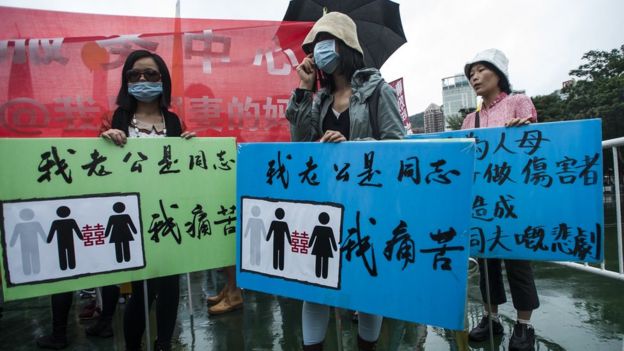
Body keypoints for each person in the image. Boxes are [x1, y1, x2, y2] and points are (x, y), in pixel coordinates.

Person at [286, 12, 405, 351]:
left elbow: (397, 148)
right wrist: (304, 90)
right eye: (313, 47)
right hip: (323, 202)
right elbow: (301, 147)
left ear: (346, 46)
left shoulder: (377, 90)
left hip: (367, 203)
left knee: (366, 284)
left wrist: (352, 147)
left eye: (325, 43)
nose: (317, 52)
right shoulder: (319, 98)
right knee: (315, 285)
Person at [101, 49, 194, 351]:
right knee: (143, 288)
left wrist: (190, 147)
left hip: (168, 214)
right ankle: (133, 345)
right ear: (126, 81)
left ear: (162, 80)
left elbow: (182, 167)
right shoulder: (118, 118)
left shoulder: (173, 120)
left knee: (169, 285)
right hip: (132, 217)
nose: (142, 80)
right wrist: (106, 139)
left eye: (150, 74)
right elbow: (102, 168)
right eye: (134, 75)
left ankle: (164, 343)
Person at [461, 48, 539, 351]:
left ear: (498, 73)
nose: (475, 77)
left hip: (514, 198)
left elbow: (535, 145)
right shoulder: (471, 119)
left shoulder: (519, 102)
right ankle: (491, 318)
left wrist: (526, 128)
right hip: (482, 201)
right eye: (471, 74)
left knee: (518, 263)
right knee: (487, 263)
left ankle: (524, 326)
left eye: (481, 70)